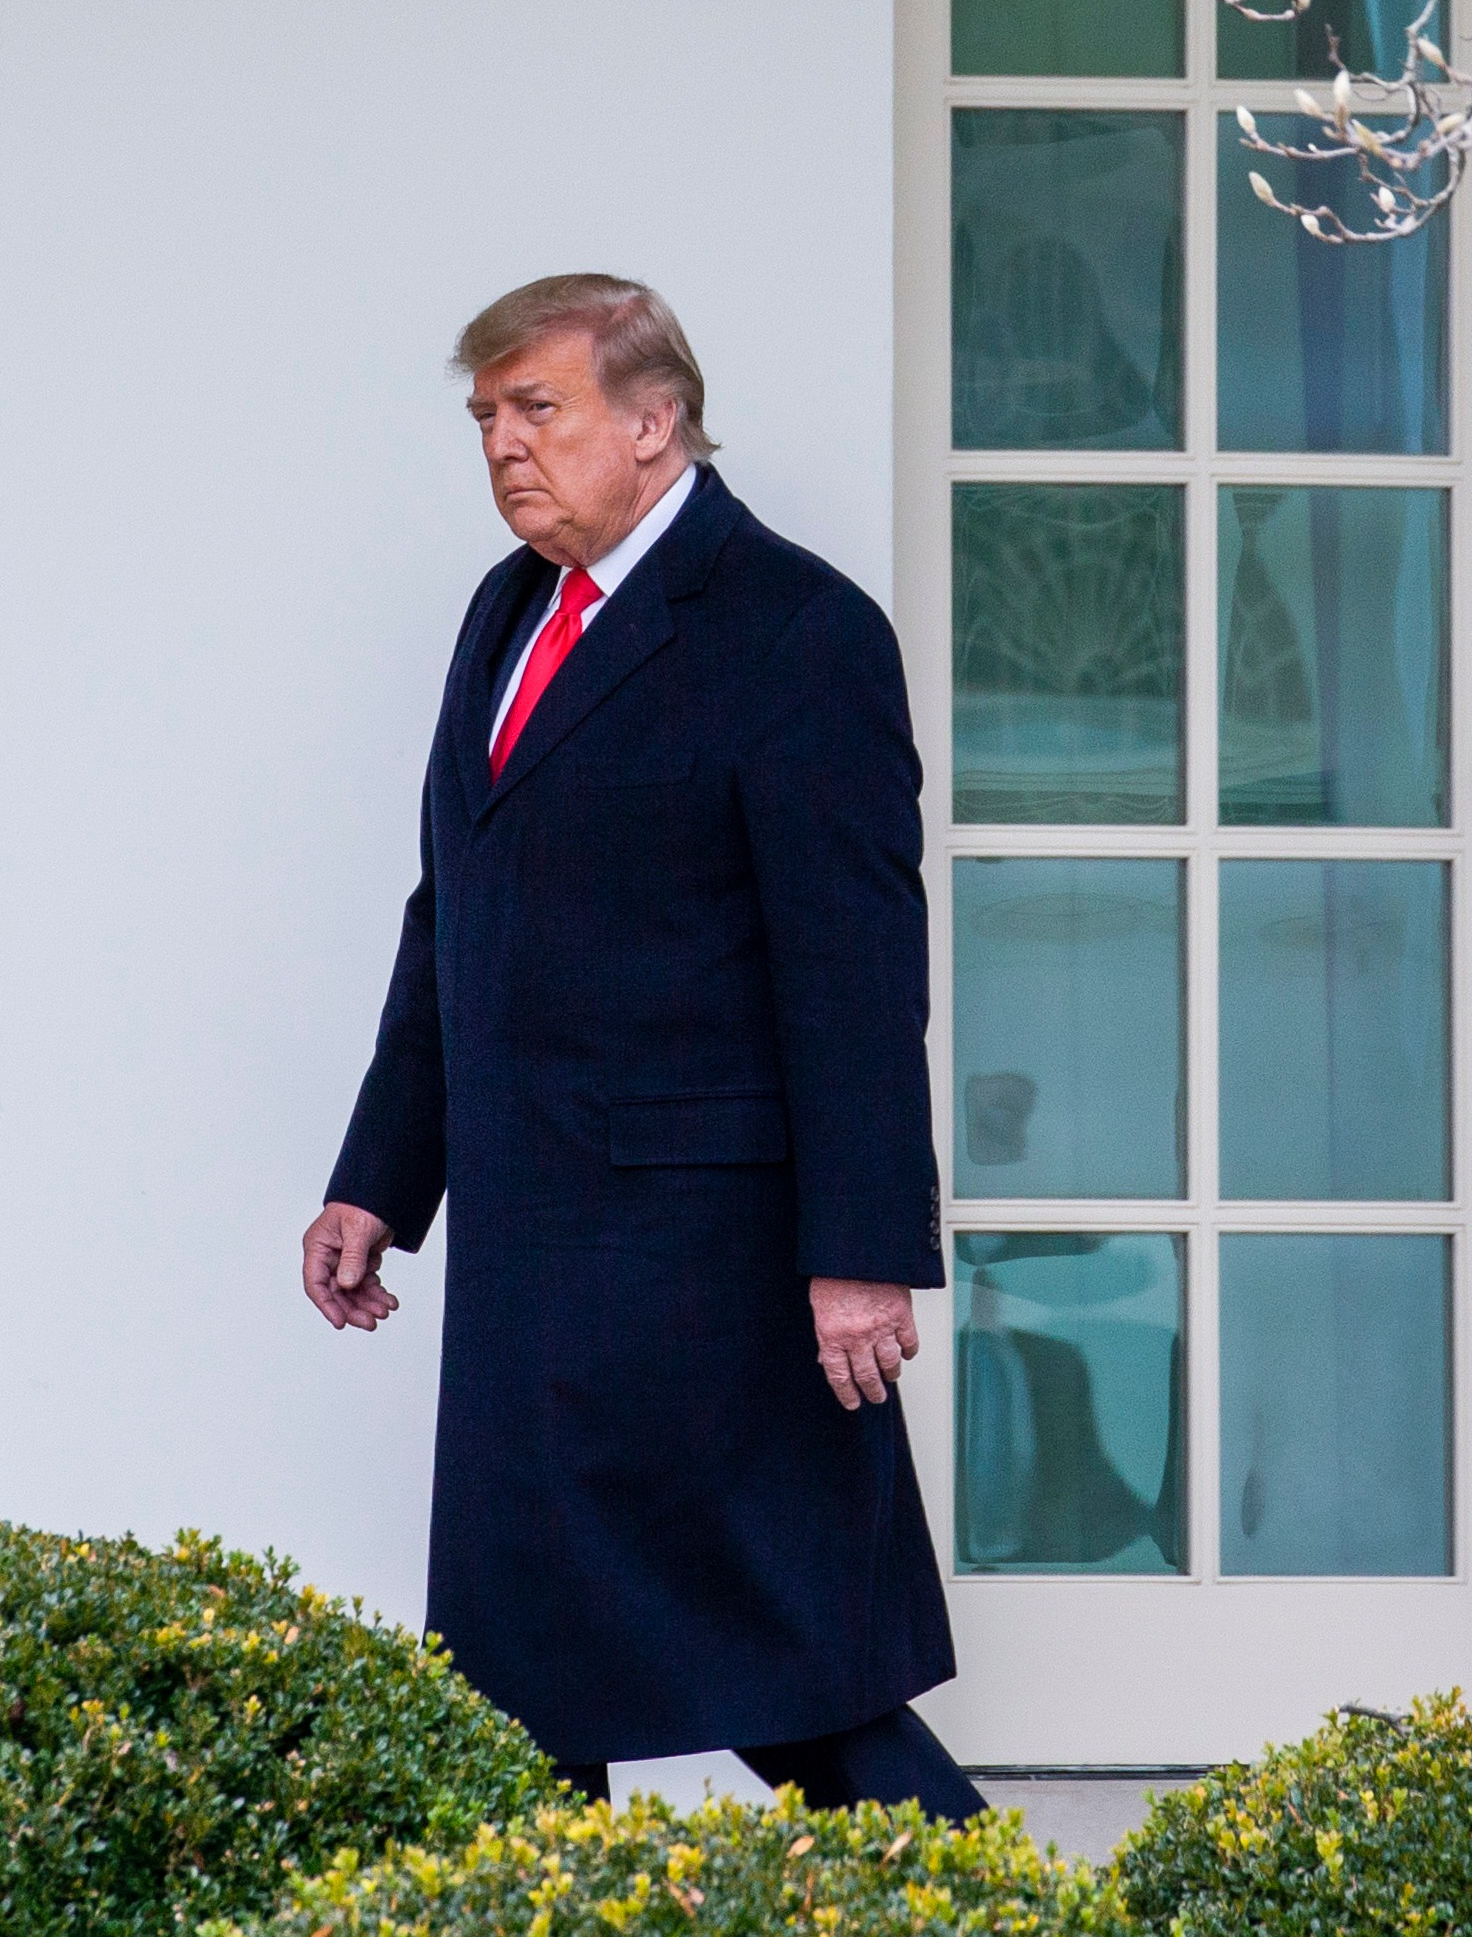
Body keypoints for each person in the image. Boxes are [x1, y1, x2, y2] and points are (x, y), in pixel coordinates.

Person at [301, 272, 980, 1822]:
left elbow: (860, 974)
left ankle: (992, 1916)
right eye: (486, 418)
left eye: (538, 408)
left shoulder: (798, 632)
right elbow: (452, 918)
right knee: (510, 1700)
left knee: (807, 1696)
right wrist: (381, 1181)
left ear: (654, 422)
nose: (504, 448)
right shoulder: (503, 612)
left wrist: (864, 1252)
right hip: (533, 1270)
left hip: (713, 1274)